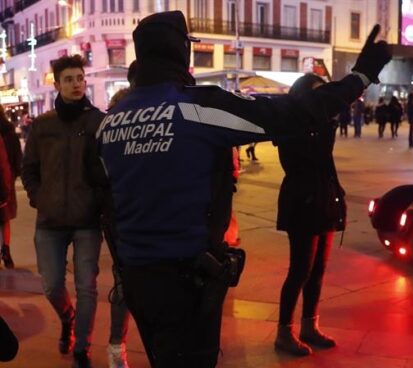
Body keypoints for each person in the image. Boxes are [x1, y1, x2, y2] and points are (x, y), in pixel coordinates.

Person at [95, 11, 390, 368]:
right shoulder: (196, 107)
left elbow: (105, 202)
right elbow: (294, 112)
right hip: (187, 278)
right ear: (180, 52)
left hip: (136, 278)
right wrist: (360, 77)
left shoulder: (110, 123)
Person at [21, 55, 105, 368]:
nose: (76, 84)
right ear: (57, 85)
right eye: (69, 79)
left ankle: (82, 347)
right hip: (50, 220)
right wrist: (38, 198)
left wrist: (98, 202)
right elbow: (28, 169)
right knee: (52, 284)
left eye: (80, 78)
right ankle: (67, 318)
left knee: (87, 287)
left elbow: (107, 171)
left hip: (87, 221)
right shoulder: (43, 126)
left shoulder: (97, 122)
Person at [274, 73, 345, 356]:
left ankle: (309, 326)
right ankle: (283, 332)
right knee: (300, 269)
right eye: (317, 94)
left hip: (323, 198)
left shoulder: (321, 122)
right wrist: (326, 128)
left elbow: (326, 163)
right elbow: (310, 158)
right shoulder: (292, 124)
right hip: (302, 200)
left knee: (318, 270)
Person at [105, 62, 138, 368]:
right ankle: (116, 345)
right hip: (120, 220)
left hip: (134, 217)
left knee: (129, 285)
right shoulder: (107, 139)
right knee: (123, 284)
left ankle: (118, 345)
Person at [0, 105, 21, 269]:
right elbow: (16, 156)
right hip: (7, 178)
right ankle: (6, 248)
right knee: (5, 218)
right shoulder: (9, 131)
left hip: (5, 175)